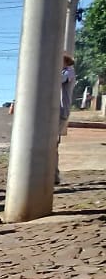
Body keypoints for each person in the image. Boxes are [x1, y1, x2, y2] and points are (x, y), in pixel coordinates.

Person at [58, 53, 75, 184]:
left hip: (61, 110)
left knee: (53, 143)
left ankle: (54, 174)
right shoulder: (64, 71)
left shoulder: (68, 72)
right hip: (56, 110)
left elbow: (58, 80)